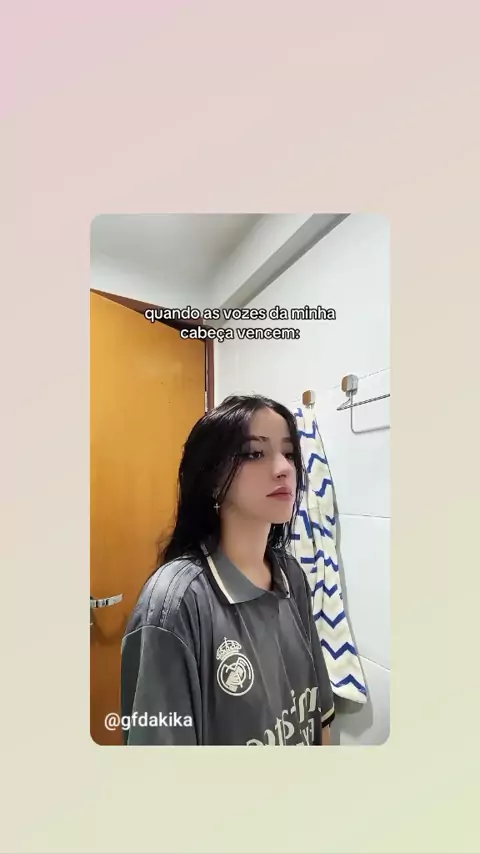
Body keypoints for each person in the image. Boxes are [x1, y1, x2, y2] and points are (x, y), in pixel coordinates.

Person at [120, 394, 335, 745]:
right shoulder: (175, 604)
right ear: (213, 477)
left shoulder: (291, 576)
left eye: (289, 453)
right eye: (254, 453)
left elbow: (319, 720)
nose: (283, 468)